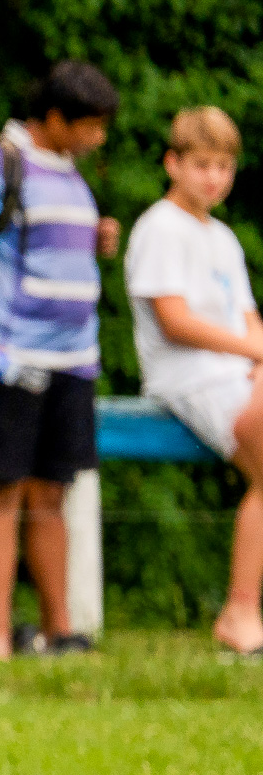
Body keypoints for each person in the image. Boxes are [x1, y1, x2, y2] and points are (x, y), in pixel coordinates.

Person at [0, 60, 122, 659]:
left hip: (72, 360)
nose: (99, 139)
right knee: (0, 492)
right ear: (57, 119)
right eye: (90, 127)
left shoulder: (69, 172)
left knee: (51, 495)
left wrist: (96, 239)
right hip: (7, 359)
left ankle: (57, 632)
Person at [125, 107, 263, 654]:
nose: (214, 177)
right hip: (189, 379)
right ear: (172, 164)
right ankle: (240, 611)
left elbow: (247, 317)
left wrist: (258, 353)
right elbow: (175, 321)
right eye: (202, 164)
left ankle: (242, 611)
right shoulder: (159, 228)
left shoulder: (223, 237)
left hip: (236, 372)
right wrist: (253, 350)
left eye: (225, 166)